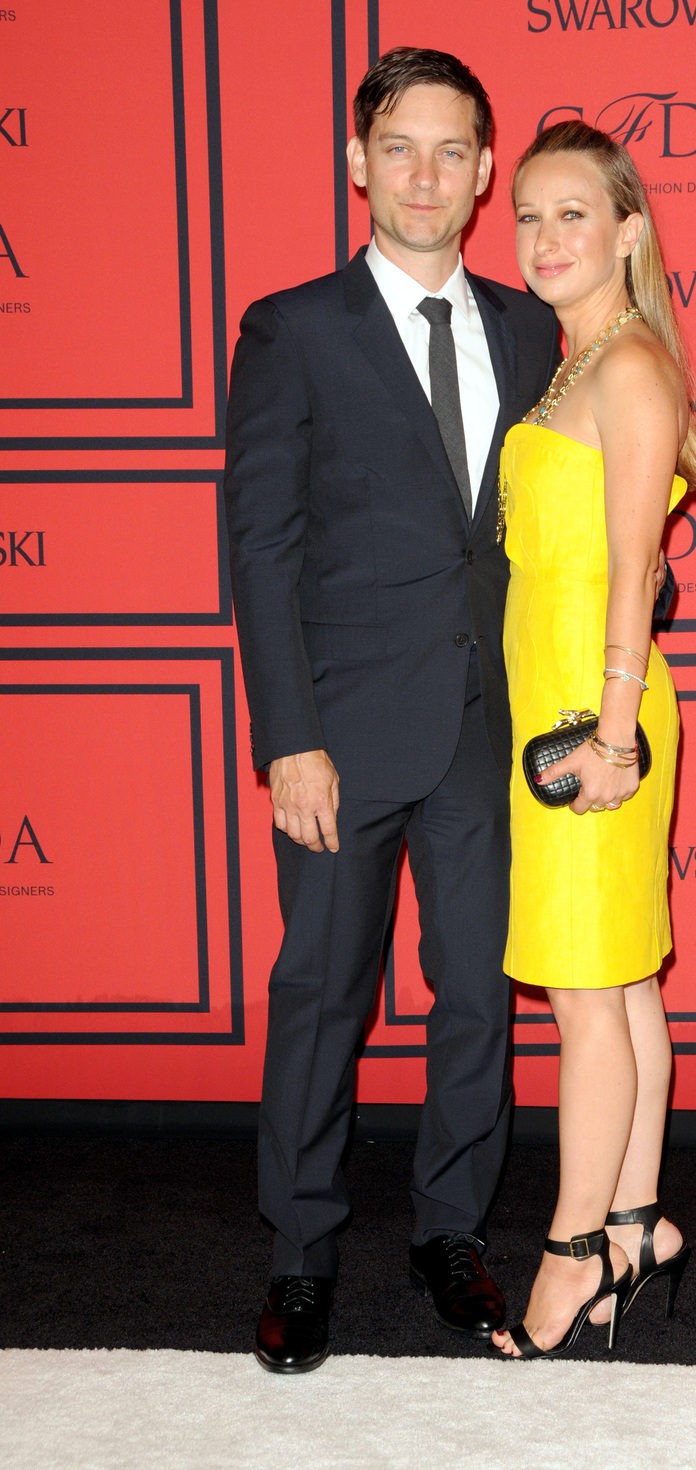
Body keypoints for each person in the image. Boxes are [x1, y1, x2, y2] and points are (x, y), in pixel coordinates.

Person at [222, 47, 560, 1372]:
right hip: (343, 734)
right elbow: (262, 545)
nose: (427, 173)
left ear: (485, 172)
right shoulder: (293, 328)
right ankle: (301, 1251)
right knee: (322, 992)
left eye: (453, 150)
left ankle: (449, 1229)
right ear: (359, 163)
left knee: (476, 992)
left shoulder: (532, 327)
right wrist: (287, 735)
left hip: (490, 727)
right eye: (400, 147)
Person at [490, 121, 696, 1359]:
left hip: (597, 716)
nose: (542, 237)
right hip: (568, 710)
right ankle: (636, 1224)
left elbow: (635, 569)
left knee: (585, 997)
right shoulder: (575, 364)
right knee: (618, 983)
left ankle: (572, 1252)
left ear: (627, 230)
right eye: (526, 214)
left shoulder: (626, 367)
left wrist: (615, 737)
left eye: (570, 212)